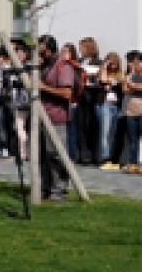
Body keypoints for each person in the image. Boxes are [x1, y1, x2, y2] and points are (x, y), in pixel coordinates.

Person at [38, 35, 74, 202]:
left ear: (49, 47)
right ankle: (45, 188)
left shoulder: (63, 66)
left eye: (41, 47)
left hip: (56, 116)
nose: (38, 50)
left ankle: (59, 191)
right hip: (41, 115)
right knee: (42, 155)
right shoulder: (43, 66)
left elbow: (67, 93)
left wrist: (43, 87)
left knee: (56, 154)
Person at [96, 52, 124, 170]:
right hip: (105, 105)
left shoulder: (120, 74)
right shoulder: (102, 73)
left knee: (113, 133)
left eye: (115, 62)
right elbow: (102, 80)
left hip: (116, 106)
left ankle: (112, 158)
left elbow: (122, 83)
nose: (113, 65)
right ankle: (105, 157)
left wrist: (112, 82)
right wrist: (104, 66)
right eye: (110, 62)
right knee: (105, 132)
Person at [77, 37, 102, 165]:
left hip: (93, 95)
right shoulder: (79, 62)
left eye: (82, 47)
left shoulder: (98, 62)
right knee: (81, 125)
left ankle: (95, 155)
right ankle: (83, 155)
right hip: (81, 96)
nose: (80, 50)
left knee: (93, 125)